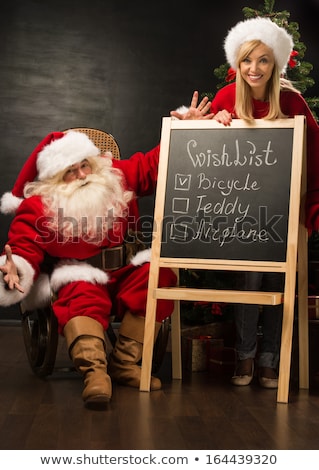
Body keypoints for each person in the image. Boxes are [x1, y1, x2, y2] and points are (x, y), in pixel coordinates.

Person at [172, 17, 319, 389]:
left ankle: (271, 361)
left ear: (276, 63)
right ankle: (246, 357)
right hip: (240, 214)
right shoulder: (225, 97)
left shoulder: (292, 102)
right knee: (249, 280)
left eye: (264, 60)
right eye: (247, 60)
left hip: (283, 211)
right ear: (237, 63)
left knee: (277, 282)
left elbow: (316, 160)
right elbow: (197, 156)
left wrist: (310, 207)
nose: (254, 69)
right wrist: (208, 125)